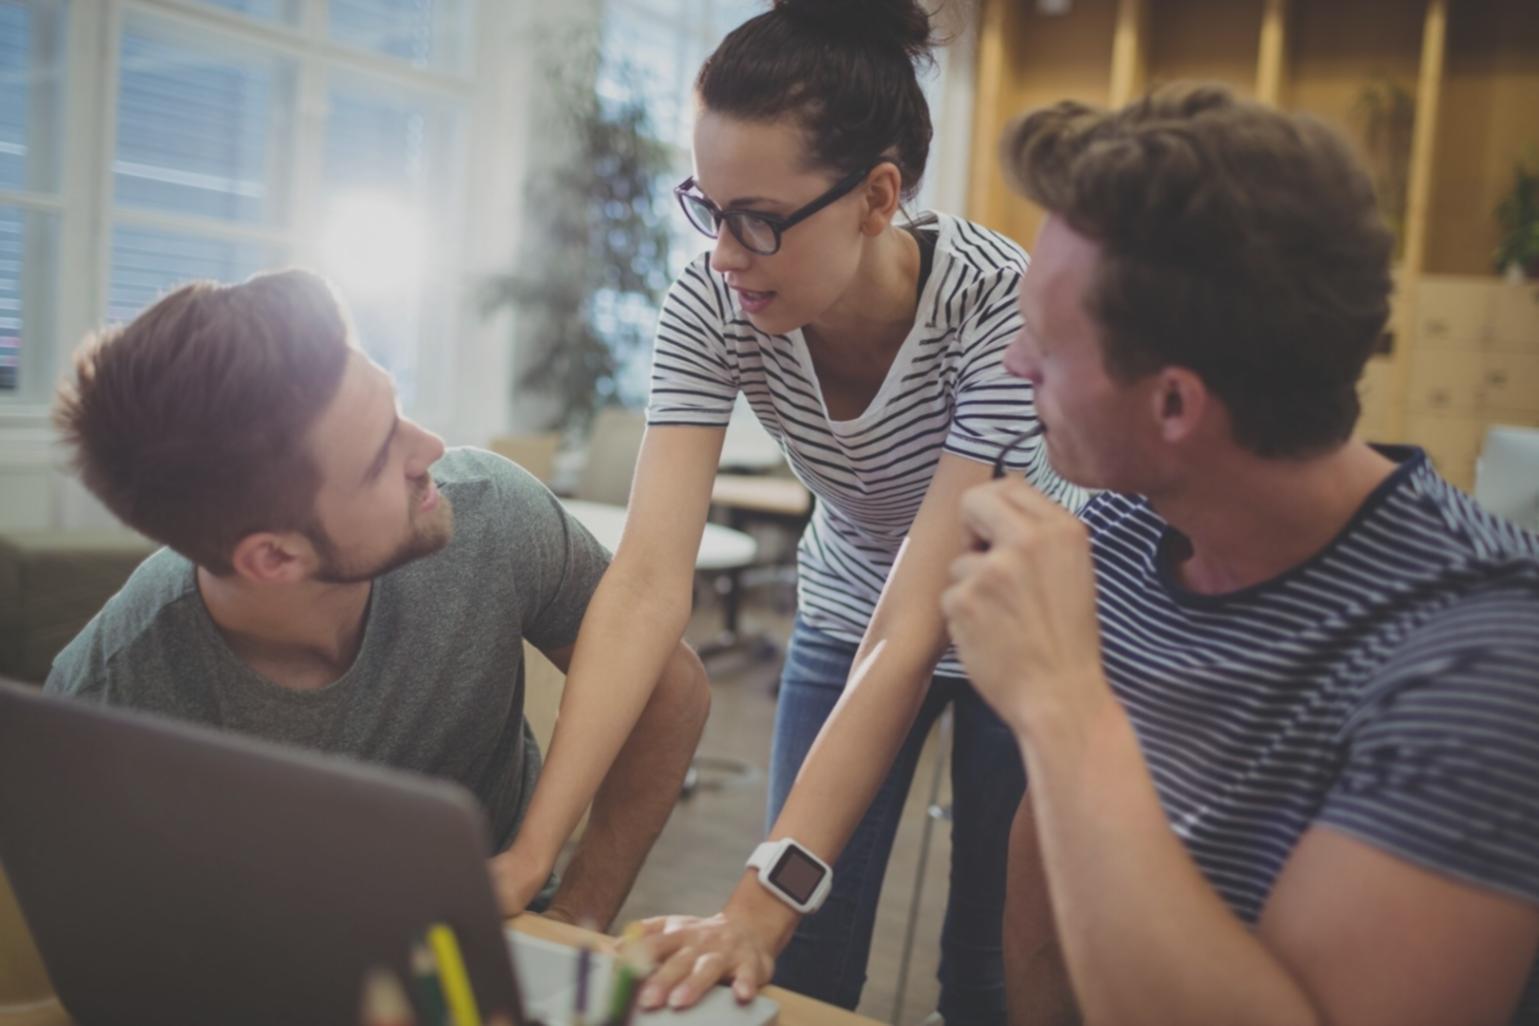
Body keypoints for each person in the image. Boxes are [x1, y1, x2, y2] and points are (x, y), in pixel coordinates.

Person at [496, 0, 1083, 1020]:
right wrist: (534, 852)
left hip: (1016, 623)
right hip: (851, 595)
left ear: (877, 194)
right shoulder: (716, 301)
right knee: (803, 962)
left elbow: (913, 632)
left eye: (758, 218)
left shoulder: (997, 310)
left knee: (987, 968)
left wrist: (758, 902)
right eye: (709, 208)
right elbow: (645, 583)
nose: (726, 253)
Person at [939, 84, 1539, 1025]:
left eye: (1047, 345)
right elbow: (1046, 892)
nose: (1015, 364)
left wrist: (1063, 707)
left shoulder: (1484, 661)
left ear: (1174, 405)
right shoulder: (1117, 540)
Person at [45, 269, 710, 930]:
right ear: (274, 556)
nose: (430, 448)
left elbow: (668, 689)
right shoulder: (107, 700)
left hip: (491, 947)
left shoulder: (490, 512)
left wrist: (578, 916)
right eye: (377, 457)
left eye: (395, 408)